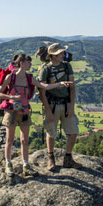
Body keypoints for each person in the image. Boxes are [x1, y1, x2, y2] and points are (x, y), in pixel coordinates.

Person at [0, 54, 73, 177]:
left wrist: (60, 84)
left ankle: (26, 165)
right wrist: (11, 97)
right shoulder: (11, 77)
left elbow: (44, 86)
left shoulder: (29, 78)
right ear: (21, 63)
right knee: (9, 140)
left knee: (24, 141)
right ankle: (8, 164)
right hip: (11, 112)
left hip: (25, 112)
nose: (31, 64)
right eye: (28, 62)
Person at [37, 43, 81, 171]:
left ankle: (68, 158)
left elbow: (72, 87)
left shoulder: (67, 66)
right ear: (53, 56)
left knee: (73, 132)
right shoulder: (46, 69)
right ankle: (50, 157)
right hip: (52, 104)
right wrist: (48, 111)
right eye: (60, 53)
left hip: (66, 103)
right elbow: (42, 92)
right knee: (51, 132)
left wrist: (71, 106)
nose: (63, 55)